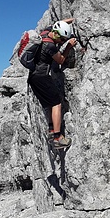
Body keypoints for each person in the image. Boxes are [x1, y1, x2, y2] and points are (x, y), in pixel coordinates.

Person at [27, 18, 77, 149]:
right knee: (56, 104)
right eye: (61, 40)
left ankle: (51, 130)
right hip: (42, 77)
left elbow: (57, 23)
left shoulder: (44, 33)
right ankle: (57, 138)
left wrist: (71, 20)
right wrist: (69, 46)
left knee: (48, 103)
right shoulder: (49, 45)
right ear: (57, 35)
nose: (61, 42)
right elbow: (60, 60)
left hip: (33, 78)